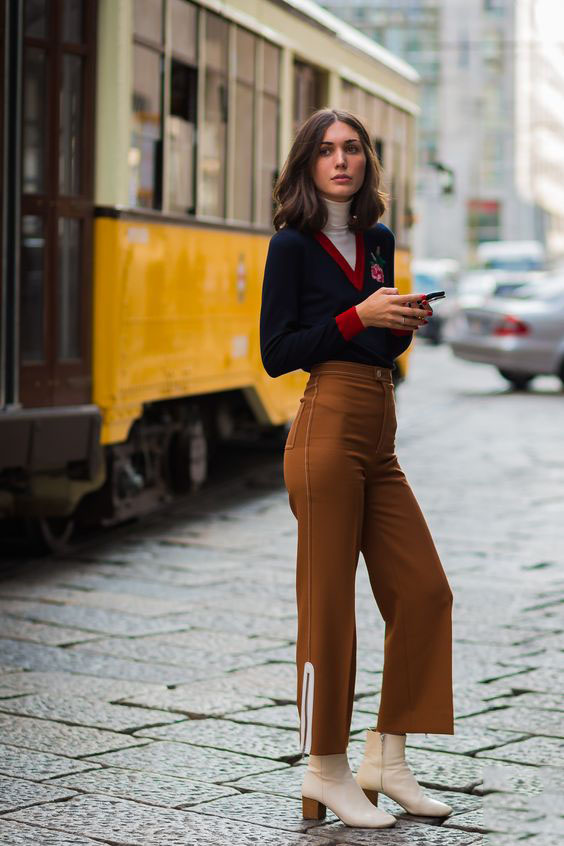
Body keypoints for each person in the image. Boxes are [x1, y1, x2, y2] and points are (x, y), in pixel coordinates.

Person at [259, 109, 455, 829]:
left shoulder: (378, 240)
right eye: (327, 150)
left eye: (352, 149)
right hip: (325, 429)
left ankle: (386, 759)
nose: (341, 160)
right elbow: (278, 352)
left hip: (379, 431)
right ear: (307, 164)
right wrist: (357, 318)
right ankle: (325, 768)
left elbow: (372, 339)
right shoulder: (290, 246)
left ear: (368, 161)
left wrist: (396, 321)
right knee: (329, 607)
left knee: (426, 593)